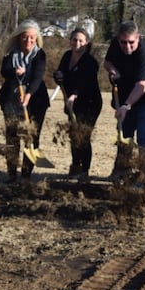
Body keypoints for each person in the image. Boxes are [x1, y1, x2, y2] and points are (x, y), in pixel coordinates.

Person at [104, 21, 145, 184]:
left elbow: (142, 86)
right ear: (118, 39)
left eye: (131, 42)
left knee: (144, 132)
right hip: (128, 92)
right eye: (123, 42)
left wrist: (126, 106)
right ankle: (122, 170)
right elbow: (107, 62)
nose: (127, 46)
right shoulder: (115, 44)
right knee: (123, 131)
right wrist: (112, 69)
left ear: (138, 38)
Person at [0, 20, 50, 184]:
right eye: (25, 37)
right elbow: (4, 71)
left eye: (32, 38)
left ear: (37, 38)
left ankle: (26, 175)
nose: (29, 41)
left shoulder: (40, 54)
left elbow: (38, 77)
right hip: (12, 100)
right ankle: (11, 174)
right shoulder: (11, 53)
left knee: (31, 138)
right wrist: (15, 72)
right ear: (19, 37)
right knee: (12, 137)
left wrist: (28, 94)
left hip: (36, 101)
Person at [54, 27, 103, 182]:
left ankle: (85, 171)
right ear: (70, 41)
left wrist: (74, 95)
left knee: (83, 136)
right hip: (72, 103)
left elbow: (85, 82)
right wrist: (58, 76)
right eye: (74, 40)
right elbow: (60, 73)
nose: (77, 43)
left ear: (86, 43)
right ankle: (75, 166)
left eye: (81, 40)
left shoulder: (90, 62)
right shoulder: (67, 56)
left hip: (90, 103)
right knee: (74, 135)